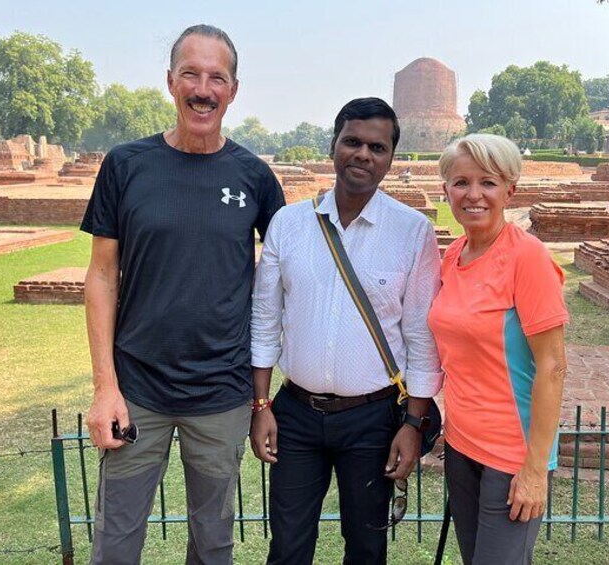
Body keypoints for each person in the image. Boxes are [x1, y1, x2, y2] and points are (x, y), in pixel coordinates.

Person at [80, 24, 285, 565]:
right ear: (171, 82)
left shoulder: (254, 177)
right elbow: (102, 276)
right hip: (138, 388)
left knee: (213, 543)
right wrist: (105, 388)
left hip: (220, 393)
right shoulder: (127, 166)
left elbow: (283, 277)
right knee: (117, 543)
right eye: (191, 74)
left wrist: (261, 397)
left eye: (216, 77)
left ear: (234, 90)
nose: (203, 89)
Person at [249, 97, 442, 565]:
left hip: (373, 419)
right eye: (352, 141)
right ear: (333, 145)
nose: (363, 154)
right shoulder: (290, 224)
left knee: (367, 546)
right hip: (295, 413)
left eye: (377, 147)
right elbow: (264, 320)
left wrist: (413, 425)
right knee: (289, 547)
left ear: (391, 159)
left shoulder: (412, 231)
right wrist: (261, 406)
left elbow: (420, 337)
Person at [427, 134, 569, 565]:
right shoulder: (454, 255)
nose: (473, 195)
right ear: (446, 190)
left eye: (488, 182)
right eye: (461, 182)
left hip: (512, 452)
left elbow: (553, 366)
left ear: (511, 190)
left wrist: (534, 469)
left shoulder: (527, 258)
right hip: (462, 442)